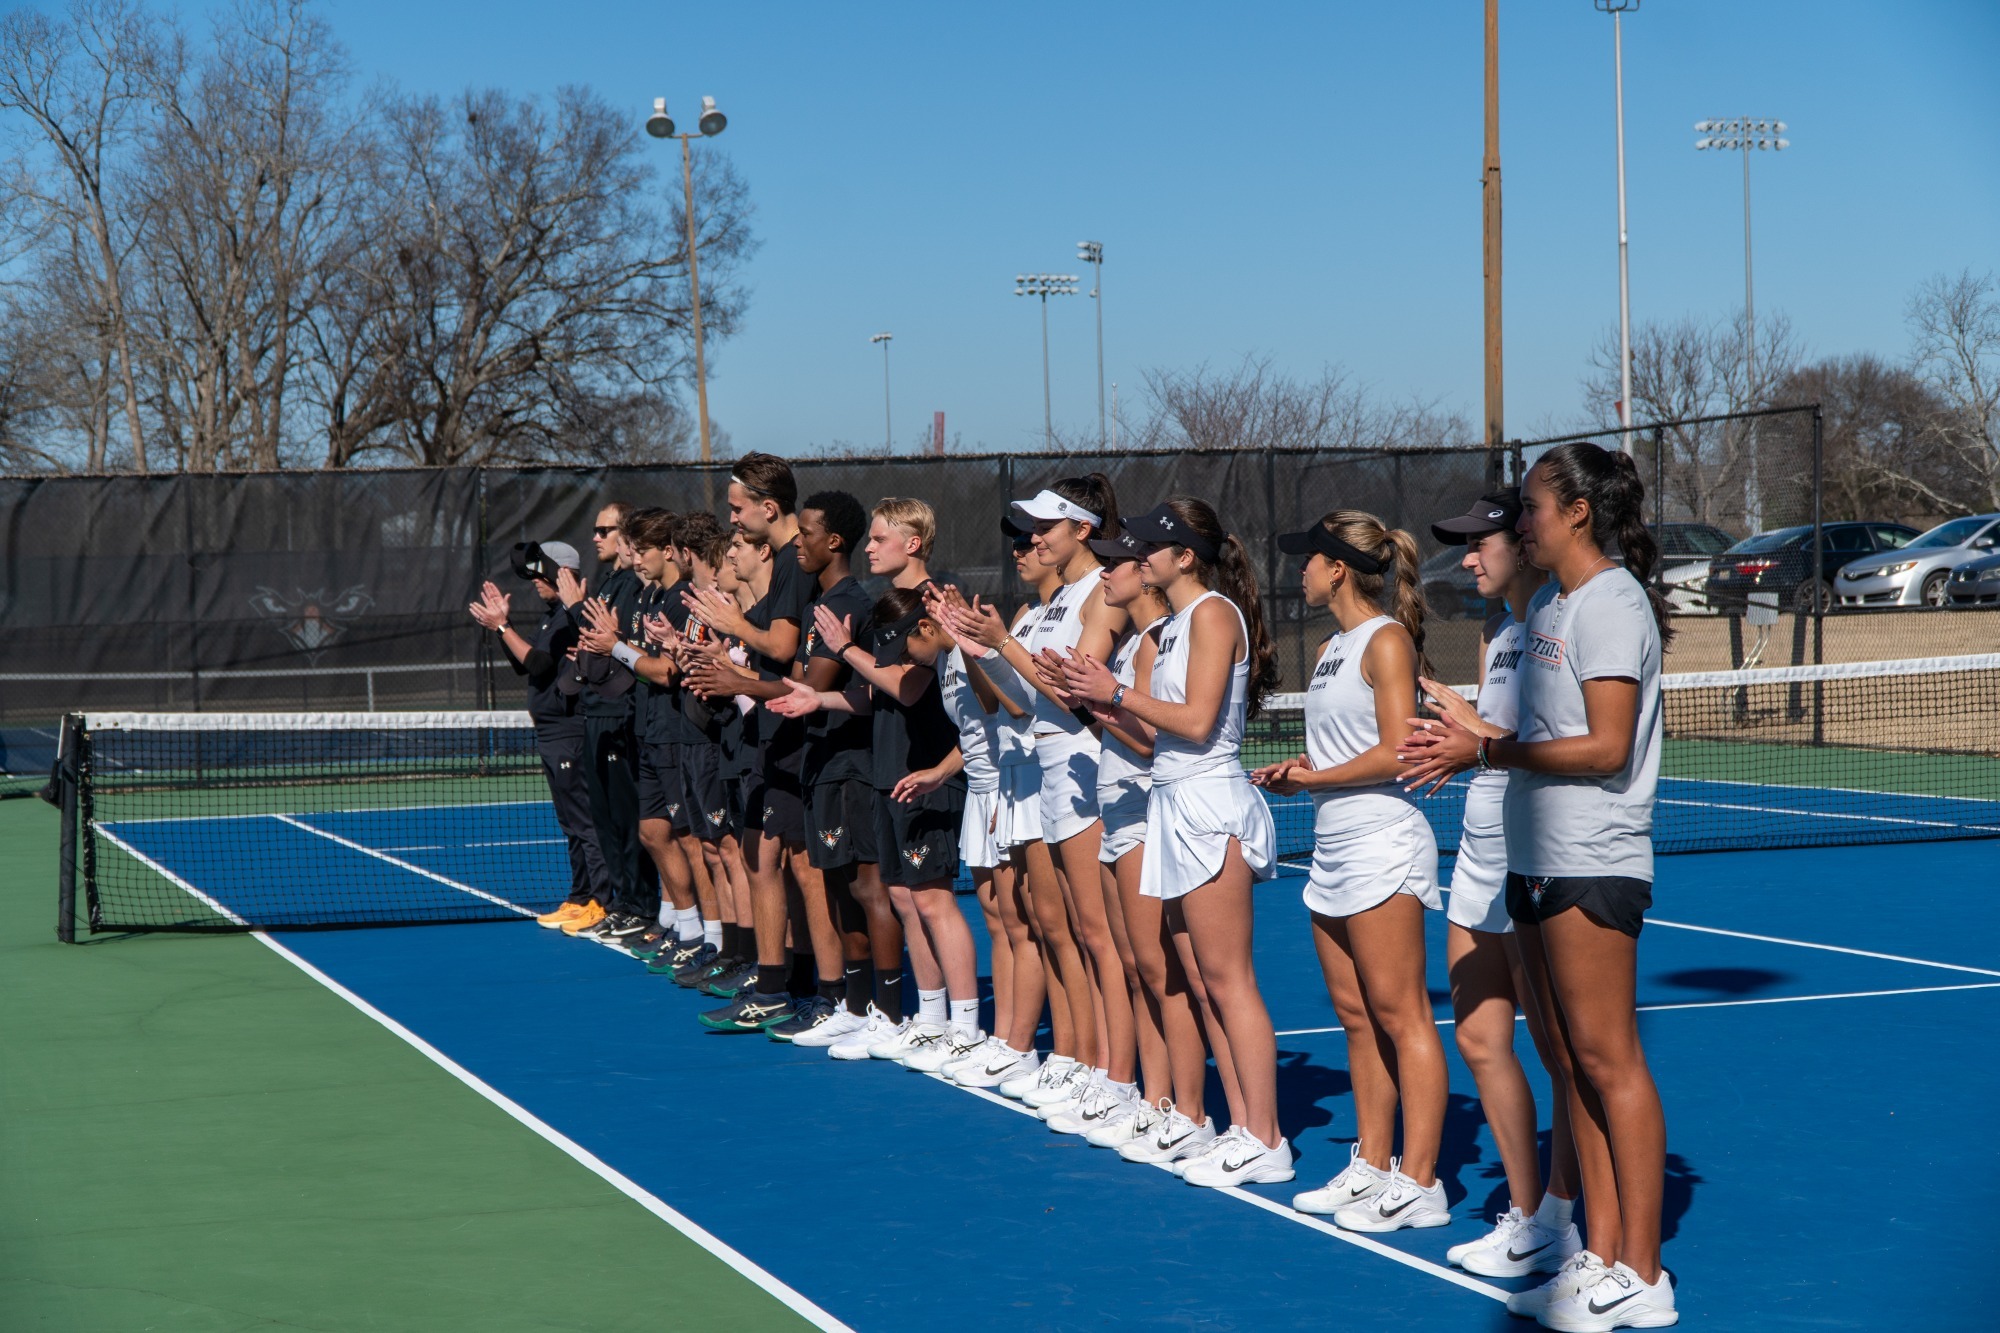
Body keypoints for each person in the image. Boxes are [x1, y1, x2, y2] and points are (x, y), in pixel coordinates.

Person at [1400, 443, 1676, 1331]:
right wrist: (1473, 736)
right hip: (1533, 857)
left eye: (1531, 507)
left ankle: (1644, 1271)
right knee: (1566, 1059)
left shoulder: (1612, 602)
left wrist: (1484, 748)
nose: (1520, 522)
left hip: (1594, 858)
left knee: (1607, 1058)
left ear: (1578, 512)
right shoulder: (1550, 605)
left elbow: (1606, 745)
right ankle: (1599, 1250)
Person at [1062, 498, 1285, 1187]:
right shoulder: (1179, 624)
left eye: (1149, 547)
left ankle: (1267, 1137)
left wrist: (1115, 693)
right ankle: (1242, 1125)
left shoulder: (1214, 614)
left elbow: (1196, 721)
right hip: (1173, 802)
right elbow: (1159, 733)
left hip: (1209, 804)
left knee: (1229, 981)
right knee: (1203, 982)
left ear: (1185, 557)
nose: (1136, 557)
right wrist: (1099, 700)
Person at [1253, 509, 1451, 1228]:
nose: (1299, 569)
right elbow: (1348, 747)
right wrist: (1302, 770)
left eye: (1308, 558)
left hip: (1382, 842)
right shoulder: (1330, 647)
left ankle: (1421, 1181)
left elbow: (1398, 751)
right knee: (1357, 1017)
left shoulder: (1386, 640)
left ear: (1337, 568)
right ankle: (1371, 1164)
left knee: (1402, 1015)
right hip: (1333, 845)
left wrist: (1314, 777)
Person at [1408, 490, 1583, 1280]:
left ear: (1521, 540)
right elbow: (1490, 740)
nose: (1470, 558)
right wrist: (1452, 736)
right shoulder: (1497, 630)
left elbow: (1551, 742)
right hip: (1479, 849)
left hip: (1531, 851)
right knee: (1479, 1037)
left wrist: (1470, 731)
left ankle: (1562, 1217)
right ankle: (1525, 1211)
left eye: (1482, 543)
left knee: (1556, 1050)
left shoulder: (1554, 623)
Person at [939, 477, 1130, 1127]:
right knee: (1060, 926)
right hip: (1047, 772)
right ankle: (1081, 1059)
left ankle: (1109, 1070)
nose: (1032, 540)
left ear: (1083, 528)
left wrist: (1001, 644)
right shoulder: (1056, 600)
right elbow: (1021, 697)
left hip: (1084, 770)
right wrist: (983, 648)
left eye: (1045, 527)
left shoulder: (1101, 590)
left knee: (1096, 935)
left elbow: (1072, 694)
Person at [681, 454, 817, 1033]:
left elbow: (783, 650)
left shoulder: (795, 563)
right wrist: (726, 659)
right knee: (766, 862)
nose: (732, 522)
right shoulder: (786, 565)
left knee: (802, 870)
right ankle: (777, 983)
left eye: (738, 511)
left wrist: (734, 629)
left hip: (797, 740)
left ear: (769, 507)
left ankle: (813, 989)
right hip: (771, 738)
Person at [938, 517, 1054, 1091]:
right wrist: (973, 648)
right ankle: (1009, 1041)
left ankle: (1033, 1049)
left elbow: (1023, 706)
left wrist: (989, 644)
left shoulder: (1059, 615)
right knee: (1008, 920)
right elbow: (995, 702)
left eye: (1033, 540)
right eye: (1018, 542)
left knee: (1049, 928)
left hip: (1039, 782)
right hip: (1007, 785)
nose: (1022, 550)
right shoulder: (1027, 616)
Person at [466, 540, 609, 928]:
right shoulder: (551, 618)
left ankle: (601, 901)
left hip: (569, 732)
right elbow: (522, 664)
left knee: (584, 822)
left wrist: (503, 626)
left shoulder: (572, 616)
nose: (534, 581)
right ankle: (580, 896)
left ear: (561, 574)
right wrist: (503, 628)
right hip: (549, 734)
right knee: (569, 823)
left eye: (540, 573)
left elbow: (540, 664)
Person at [553, 501, 651, 946]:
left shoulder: (630, 586)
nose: (596, 537)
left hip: (619, 715)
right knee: (605, 819)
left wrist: (576, 607)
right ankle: (619, 905)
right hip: (595, 714)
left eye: (604, 530)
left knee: (629, 822)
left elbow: (619, 643)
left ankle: (640, 906)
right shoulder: (612, 582)